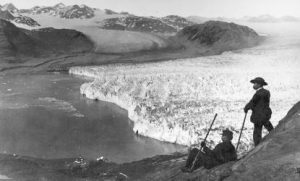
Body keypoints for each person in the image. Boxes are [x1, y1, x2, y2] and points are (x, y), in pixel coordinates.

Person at [244, 77, 273, 146]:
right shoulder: (266, 92)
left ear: (259, 84)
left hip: (258, 116)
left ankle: (257, 147)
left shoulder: (258, 93)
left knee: (257, 133)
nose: (254, 85)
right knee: (270, 128)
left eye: (255, 83)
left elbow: (252, 102)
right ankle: (276, 137)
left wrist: (246, 108)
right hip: (265, 114)